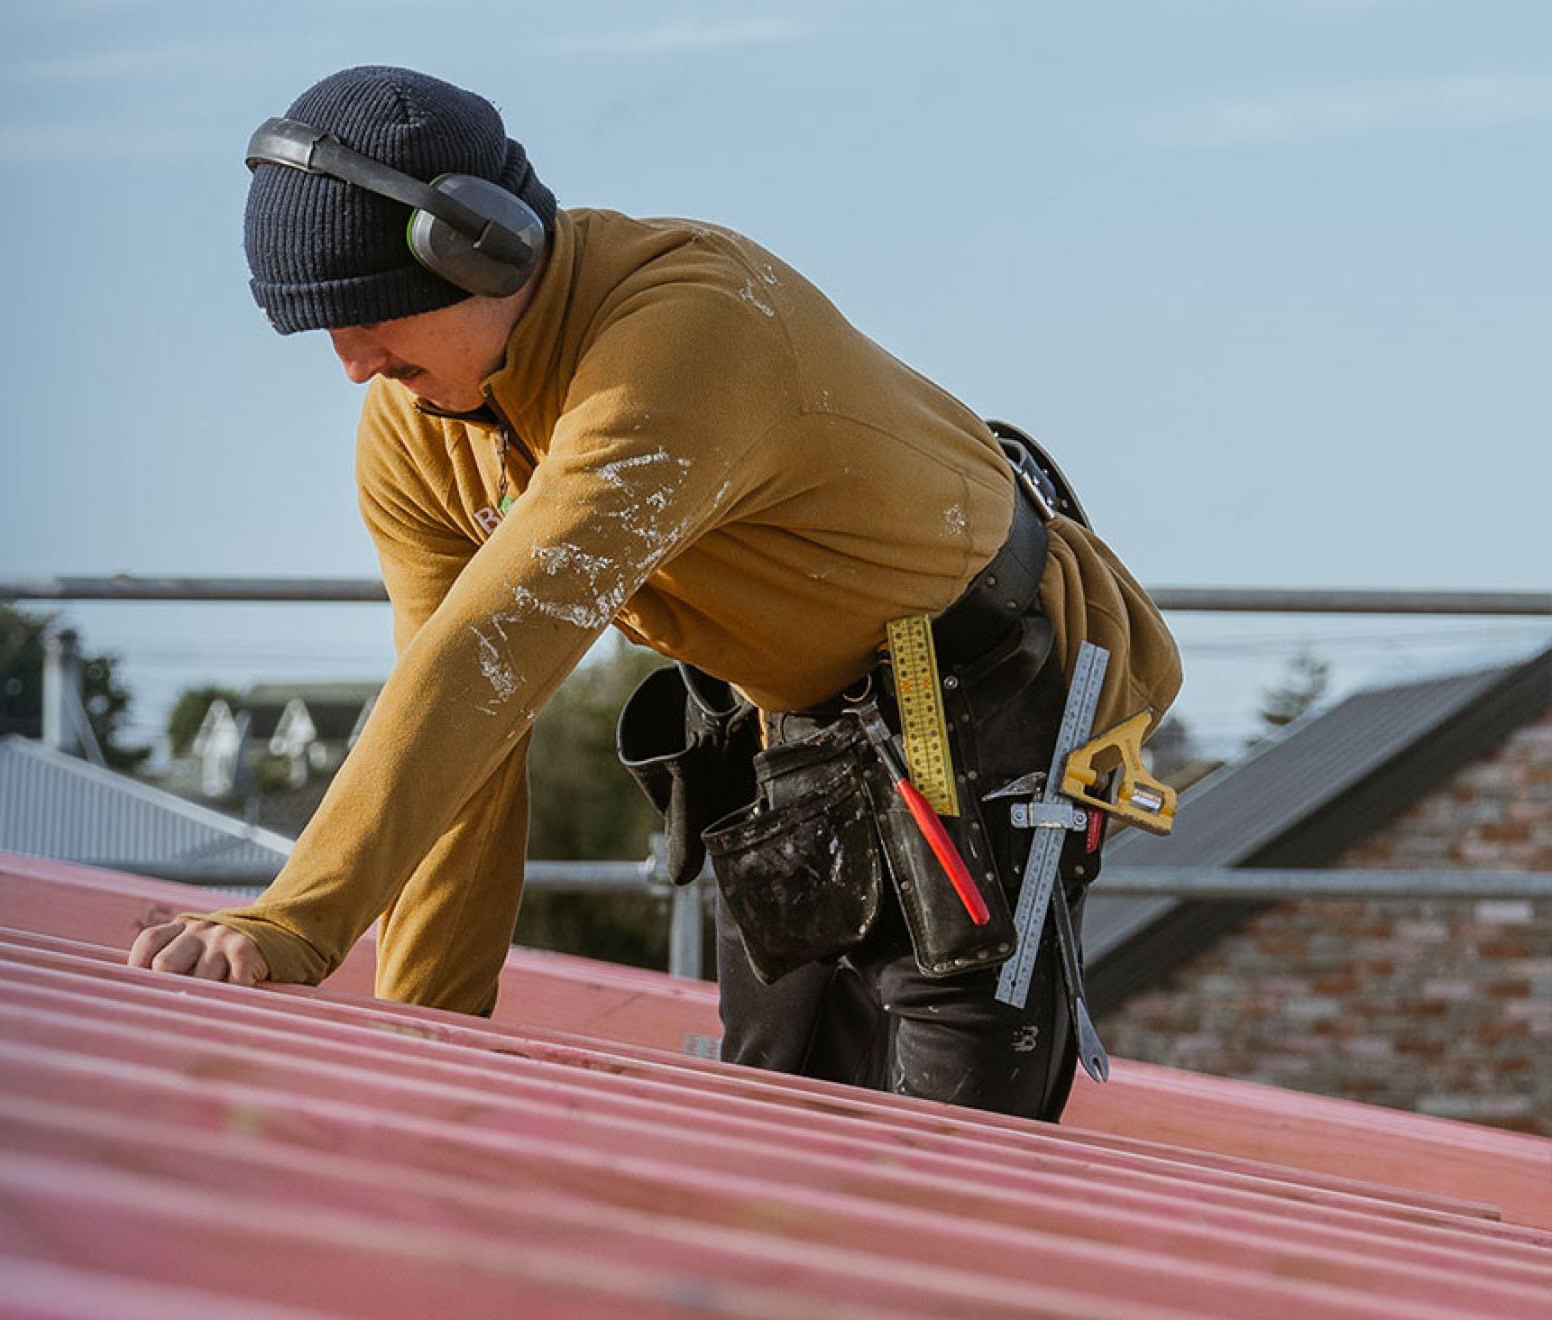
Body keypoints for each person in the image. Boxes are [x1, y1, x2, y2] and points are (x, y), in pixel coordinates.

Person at [122, 65, 1178, 1121]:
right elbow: (459, 737)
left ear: (483, 246)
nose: (353, 364)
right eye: (323, 330)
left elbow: (488, 659)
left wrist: (295, 920)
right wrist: (420, 1057)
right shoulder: (420, 431)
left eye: (368, 313)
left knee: (951, 1147)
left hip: (977, 699)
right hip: (795, 727)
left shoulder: (680, 339)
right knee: (772, 1111)